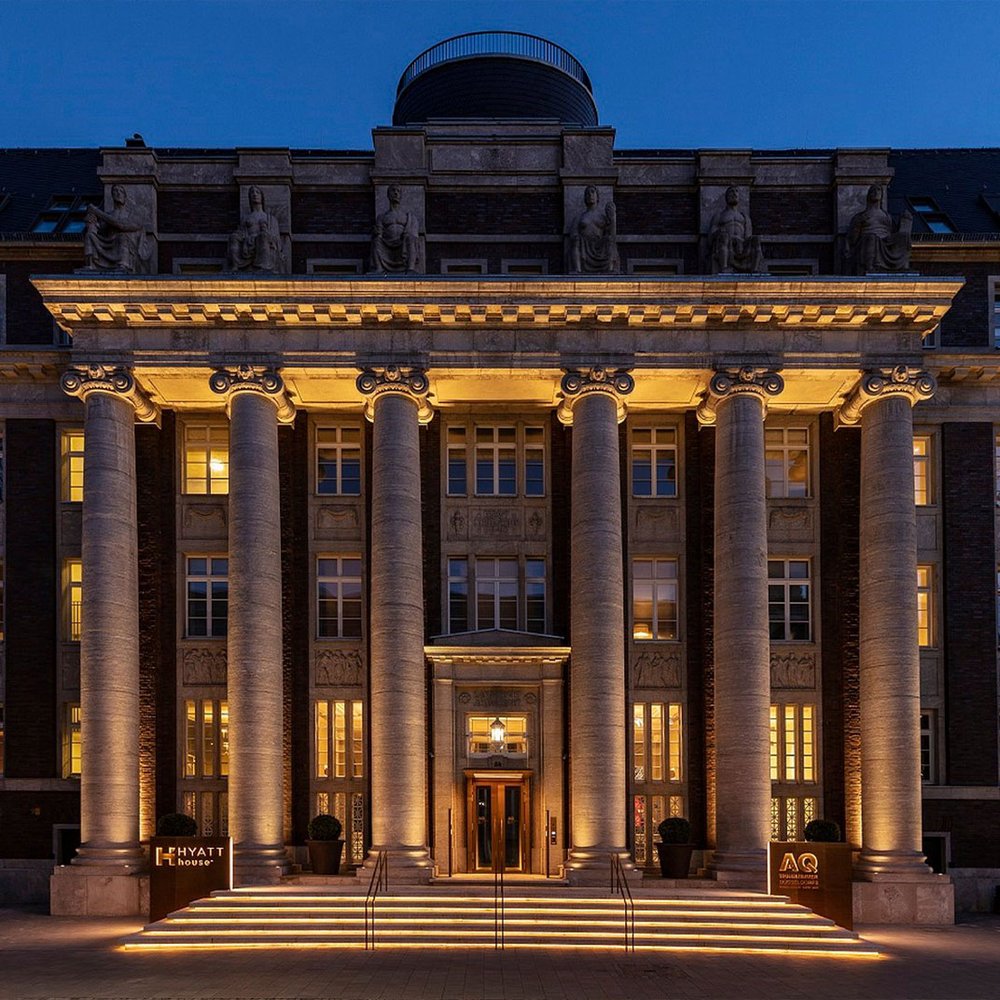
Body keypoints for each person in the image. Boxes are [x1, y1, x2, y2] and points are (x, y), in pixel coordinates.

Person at [82, 185, 149, 273]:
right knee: (90, 234)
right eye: (115, 191)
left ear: (125, 196)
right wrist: (91, 222)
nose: (118, 193)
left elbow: (121, 225)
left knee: (122, 236)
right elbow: (100, 229)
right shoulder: (109, 214)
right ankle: (90, 263)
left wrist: (96, 211)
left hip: (127, 245)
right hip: (108, 243)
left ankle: (123, 264)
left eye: (120, 191)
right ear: (112, 195)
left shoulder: (132, 215)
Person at [847, 185, 913, 273]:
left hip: (886, 240)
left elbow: (894, 231)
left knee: (903, 236)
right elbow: (853, 238)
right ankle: (870, 267)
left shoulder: (887, 216)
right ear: (869, 195)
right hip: (868, 240)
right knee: (872, 238)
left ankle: (903, 266)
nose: (876, 192)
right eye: (873, 190)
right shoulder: (861, 216)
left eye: (878, 190)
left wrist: (905, 222)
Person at [227, 185, 284, 272]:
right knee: (233, 238)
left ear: (262, 197)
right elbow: (242, 232)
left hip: (262, 241)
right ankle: (235, 266)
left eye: (257, 192)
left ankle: (263, 267)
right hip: (247, 243)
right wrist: (239, 235)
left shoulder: (270, 219)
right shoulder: (246, 218)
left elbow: (276, 239)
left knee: (263, 236)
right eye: (252, 193)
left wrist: (265, 231)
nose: (254, 194)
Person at [369, 184, 421, 273]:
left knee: (411, 239)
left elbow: (414, 233)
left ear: (401, 195)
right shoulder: (382, 217)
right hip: (387, 244)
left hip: (403, 244)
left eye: (398, 191)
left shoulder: (408, 217)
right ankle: (379, 268)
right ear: (388, 195)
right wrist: (376, 232)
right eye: (393, 191)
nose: (396, 193)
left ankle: (410, 268)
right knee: (376, 240)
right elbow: (379, 233)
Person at [710, 186, 763, 273]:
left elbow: (748, 235)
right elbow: (710, 237)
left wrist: (741, 241)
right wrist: (719, 232)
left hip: (741, 245)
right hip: (726, 242)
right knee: (724, 237)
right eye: (731, 192)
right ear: (726, 197)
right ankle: (724, 267)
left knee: (756, 239)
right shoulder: (719, 216)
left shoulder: (744, 217)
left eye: (736, 191)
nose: (734, 193)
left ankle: (755, 269)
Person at [568, 185, 619, 273]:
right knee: (576, 241)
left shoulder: (603, 218)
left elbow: (612, 235)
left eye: (592, 192)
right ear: (585, 198)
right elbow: (573, 233)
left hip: (599, 246)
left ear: (597, 196)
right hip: (584, 246)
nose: (590, 195)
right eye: (587, 193)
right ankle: (577, 269)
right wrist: (575, 237)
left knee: (609, 241)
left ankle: (610, 269)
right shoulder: (579, 217)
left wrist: (613, 218)